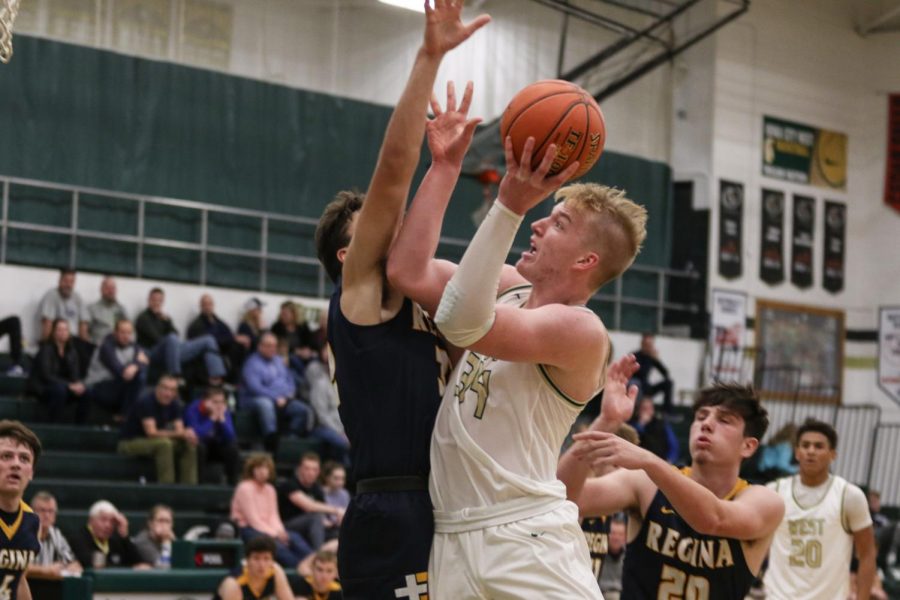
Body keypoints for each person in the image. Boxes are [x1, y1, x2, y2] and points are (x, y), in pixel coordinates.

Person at [385, 79, 647, 593]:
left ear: (585, 260)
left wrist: (510, 204)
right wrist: (444, 168)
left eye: (558, 222)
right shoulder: (505, 286)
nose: (538, 225)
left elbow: (464, 322)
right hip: (453, 537)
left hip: (525, 537)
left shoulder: (581, 331)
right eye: (544, 215)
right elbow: (408, 272)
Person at [313, 2, 489, 596]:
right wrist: (430, 56)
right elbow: (393, 172)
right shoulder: (362, 296)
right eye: (372, 227)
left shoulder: (429, 296)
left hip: (451, 501)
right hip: (392, 505)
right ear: (348, 256)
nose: (393, 222)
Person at [558, 382, 785, 599]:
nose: (706, 424)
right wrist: (606, 422)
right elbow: (561, 496)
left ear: (748, 445)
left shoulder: (764, 502)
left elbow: (712, 520)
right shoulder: (645, 483)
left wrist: (651, 461)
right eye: (701, 416)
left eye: (725, 420)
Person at [763, 418, 878, 600]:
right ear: (797, 452)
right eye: (805, 445)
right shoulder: (774, 492)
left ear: (833, 454)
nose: (811, 451)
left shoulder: (849, 496)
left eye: (818, 446)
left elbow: (868, 554)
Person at [230, 453, 311, 569]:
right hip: (248, 528)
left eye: (266, 468)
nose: (262, 472)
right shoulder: (245, 488)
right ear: (252, 470)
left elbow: (274, 515)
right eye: (259, 468)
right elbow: (253, 520)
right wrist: (275, 534)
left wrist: (281, 531)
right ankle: (299, 569)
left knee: (295, 538)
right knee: (276, 545)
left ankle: (313, 562)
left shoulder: (270, 489)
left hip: (269, 528)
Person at [117, 374, 199, 484]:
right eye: (165, 388)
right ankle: (166, 488)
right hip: (130, 442)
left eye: (172, 390)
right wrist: (182, 433)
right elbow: (151, 432)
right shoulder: (146, 402)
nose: (168, 393)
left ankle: (189, 488)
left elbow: (179, 430)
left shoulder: (175, 405)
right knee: (164, 444)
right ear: (158, 387)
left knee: (188, 445)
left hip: (155, 441)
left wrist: (188, 434)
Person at [135, 287, 226, 385]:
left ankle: (217, 377)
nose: (157, 302)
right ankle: (175, 375)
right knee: (172, 339)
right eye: (154, 299)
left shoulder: (164, 318)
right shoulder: (143, 318)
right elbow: (157, 338)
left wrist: (166, 321)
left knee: (208, 339)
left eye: (159, 300)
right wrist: (166, 326)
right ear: (149, 300)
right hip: (153, 352)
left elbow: (176, 334)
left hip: (172, 350)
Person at [239, 332, 310, 453]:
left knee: (302, 410)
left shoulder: (279, 361)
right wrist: (276, 397)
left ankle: (288, 440)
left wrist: (288, 395)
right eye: (268, 345)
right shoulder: (252, 363)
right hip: (254, 399)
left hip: (282, 399)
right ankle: (270, 441)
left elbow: (289, 380)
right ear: (260, 346)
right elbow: (255, 388)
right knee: (265, 404)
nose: (272, 348)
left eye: (274, 345)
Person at [0, 420, 42, 599]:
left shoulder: (32, 521)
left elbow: (19, 580)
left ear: (31, 472)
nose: (16, 464)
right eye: (6, 456)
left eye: (24, 458)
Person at [28, 319, 91, 423]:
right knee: (59, 390)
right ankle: (54, 424)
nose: (63, 333)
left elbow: (75, 375)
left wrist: (78, 385)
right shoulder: (46, 349)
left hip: (65, 387)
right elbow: (46, 376)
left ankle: (81, 427)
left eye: (65, 330)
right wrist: (68, 385)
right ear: (53, 332)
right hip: (44, 387)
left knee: (86, 392)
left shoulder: (72, 351)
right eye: (59, 329)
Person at [278, 453, 343, 553]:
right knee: (315, 517)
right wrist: (336, 510)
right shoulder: (290, 484)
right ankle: (319, 556)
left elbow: (322, 516)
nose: (310, 472)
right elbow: (309, 506)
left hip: (312, 527)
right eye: (307, 468)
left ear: (318, 472)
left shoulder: (317, 489)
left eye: (314, 469)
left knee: (340, 532)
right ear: (300, 469)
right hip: (289, 525)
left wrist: (331, 523)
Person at [84, 318, 148, 418]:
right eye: (122, 332)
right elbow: (121, 372)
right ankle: (126, 416)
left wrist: (136, 365)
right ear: (115, 333)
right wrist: (138, 363)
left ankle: (126, 416)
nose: (126, 336)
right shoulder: (106, 346)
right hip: (98, 386)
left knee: (141, 377)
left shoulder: (134, 346)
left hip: (117, 385)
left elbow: (145, 361)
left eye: (129, 333)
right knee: (138, 378)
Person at [183, 386, 241, 485]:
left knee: (232, 447)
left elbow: (231, 436)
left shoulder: (223, 410)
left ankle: (232, 484)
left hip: (217, 447)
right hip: (200, 446)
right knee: (199, 447)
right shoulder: (193, 409)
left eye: (222, 402)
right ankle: (199, 485)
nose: (219, 405)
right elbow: (196, 434)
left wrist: (222, 421)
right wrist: (212, 418)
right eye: (215, 402)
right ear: (205, 401)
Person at [69, 500, 147, 569]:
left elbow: (139, 563)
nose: (108, 525)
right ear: (91, 520)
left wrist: (124, 536)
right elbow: (92, 563)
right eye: (103, 519)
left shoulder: (116, 540)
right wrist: (126, 568)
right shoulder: (79, 538)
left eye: (112, 521)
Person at [187, 294, 246, 383]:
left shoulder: (218, 321)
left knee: (239, 346)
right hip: (208, 355)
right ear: (201, 306)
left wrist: (237, 339)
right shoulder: (196, 325)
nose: (208, 307)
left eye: (210, 304)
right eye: (205, 304)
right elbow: (209, 341)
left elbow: (228, 334)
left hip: (224, 350)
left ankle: (239, 380)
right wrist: (232, 339)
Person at [213, 536, 293, 600]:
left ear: (272, 561)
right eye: (256, 558)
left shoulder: (275, 571)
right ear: (247, 561)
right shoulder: (233, 583)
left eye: (266, 558)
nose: (261, 565)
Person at [26, 491, 83, 579]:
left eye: (51, 511)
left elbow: (73, 563)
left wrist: (72, 567)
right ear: (31, 512)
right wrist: (45, 570)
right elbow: (18, 567)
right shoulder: (23, 533)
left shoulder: (56, 534)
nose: (47, 515)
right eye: (42, 510)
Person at [37, 268, 89, 342]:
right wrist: (45, 345)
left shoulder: (77, 298)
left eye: (71, 282)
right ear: (59, 281)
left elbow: (83, 323)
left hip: (74, 341)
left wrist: (85, 345)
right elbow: (47, 323)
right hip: (56, 341)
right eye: (66, 281)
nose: (68, 285)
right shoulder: (51, 296)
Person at [632, 332, 674, 413]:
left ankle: (667, 412)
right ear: (642, 344)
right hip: (636, 386)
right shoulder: (635, 355)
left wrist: (656, 359)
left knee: (668, 383)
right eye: (646, 344)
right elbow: (640, 372)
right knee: (636, 383)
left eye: (650, 344)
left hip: (646, 387)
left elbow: (665, 373)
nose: (648, 346)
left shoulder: (651, 357)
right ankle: (636, 410)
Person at [630, 396, 679, 464]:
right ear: (638, 410)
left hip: (660, 461)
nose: (647, 411)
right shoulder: (633, 425)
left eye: (649, 408)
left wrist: (669, 461)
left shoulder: (662, 424)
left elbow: (673, 446)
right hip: (640, 462)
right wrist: (641, 425)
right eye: (644, 408)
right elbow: (632, 442)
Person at [87, 276, 128, 345]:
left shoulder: (121, 309)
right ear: (101, 290)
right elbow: (85, 331)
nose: (111, 291)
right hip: (98, 347)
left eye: (113, 288)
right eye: (108, 288)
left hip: (118, 349)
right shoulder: (92, 309)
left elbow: (130, 330)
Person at [599, 517, 627, 600]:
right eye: (613, 533)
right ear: (607, 534)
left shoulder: (629, 558)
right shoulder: (599, 554)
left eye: (620, 534)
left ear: (625, 538)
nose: (616, 538)